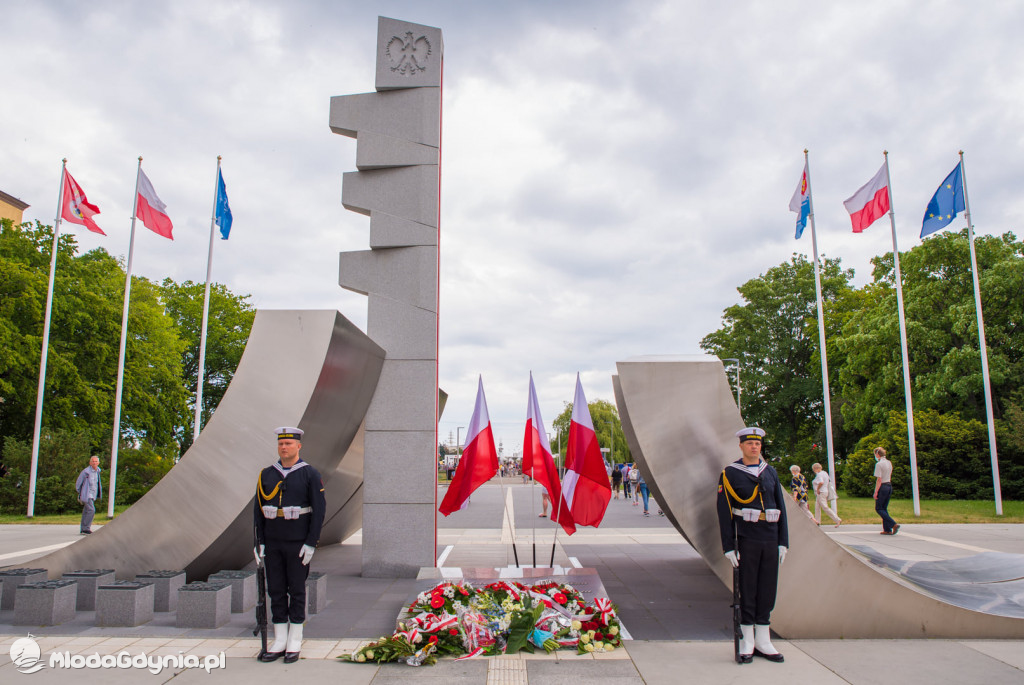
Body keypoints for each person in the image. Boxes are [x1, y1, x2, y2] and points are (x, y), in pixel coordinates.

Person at [254, 427, 326, 663]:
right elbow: (258, 511)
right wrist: (260, 542)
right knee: (275, 590)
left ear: (298, 446)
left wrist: (311, 542)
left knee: (296, 590)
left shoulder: (309, 474)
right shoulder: (267, 474)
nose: (284, 447)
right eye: (281, 443)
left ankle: (295, 638)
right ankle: (280, 639)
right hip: (273, 541)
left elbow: (319, 511)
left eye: (288, 443)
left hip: (297, 542)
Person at [717, 427, 788, 664]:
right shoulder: (730, 473)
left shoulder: (771, 473)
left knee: (768, 588)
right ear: (741, 446)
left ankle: (763, 640)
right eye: (749, 444)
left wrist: (783, 542)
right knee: (748, 588)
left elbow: (782, 509)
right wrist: (728, 546)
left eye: (757, 444)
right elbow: (724, 512)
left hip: (770, 536)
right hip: (747, 538)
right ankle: (748, 639)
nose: (754, 447)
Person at [873, 447, 899, 535]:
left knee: (879, 508)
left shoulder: (879, 464)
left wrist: (876, 491)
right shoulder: (889, 462)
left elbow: (879, 479)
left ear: (877, 454)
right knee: (884, 508)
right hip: (889, 485)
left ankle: (893, 524)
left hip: (883, 486)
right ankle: (887, 529)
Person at [75, 455, 102, 535]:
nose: (94, 463)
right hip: (87, 494)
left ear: (98, 463)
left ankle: (83, 529)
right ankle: (86, 528)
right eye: (93, 461)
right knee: (91, 510)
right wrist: (81, 493)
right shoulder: (86, 472)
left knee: (86, 511)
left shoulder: (98, 471)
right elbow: (78, 484)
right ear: (90, 463)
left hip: (93, 494)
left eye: (96, 461)